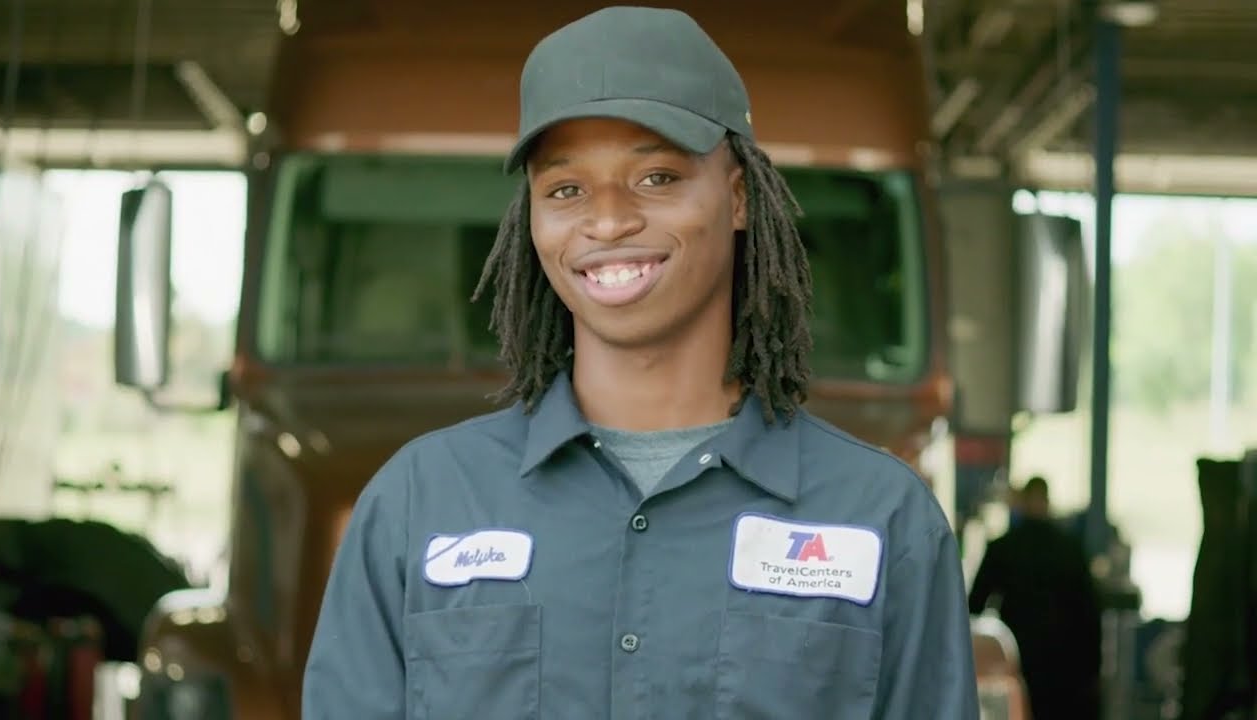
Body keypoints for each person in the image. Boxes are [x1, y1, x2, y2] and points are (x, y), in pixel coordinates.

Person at [303, 6, 979, 718]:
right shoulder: (418, 503)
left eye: (656, 177)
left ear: (738, 197)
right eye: (566, 190)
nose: (607, 221)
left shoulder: (883, 517)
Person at [969, 476, 1104, 720]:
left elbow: (975, 604)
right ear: (1047, 502)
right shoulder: (1070, 550)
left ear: (1022, 503)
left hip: (1020, 657)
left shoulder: (1004, 548)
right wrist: (1093, 670)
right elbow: (1090, 615)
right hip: (1064, 663)